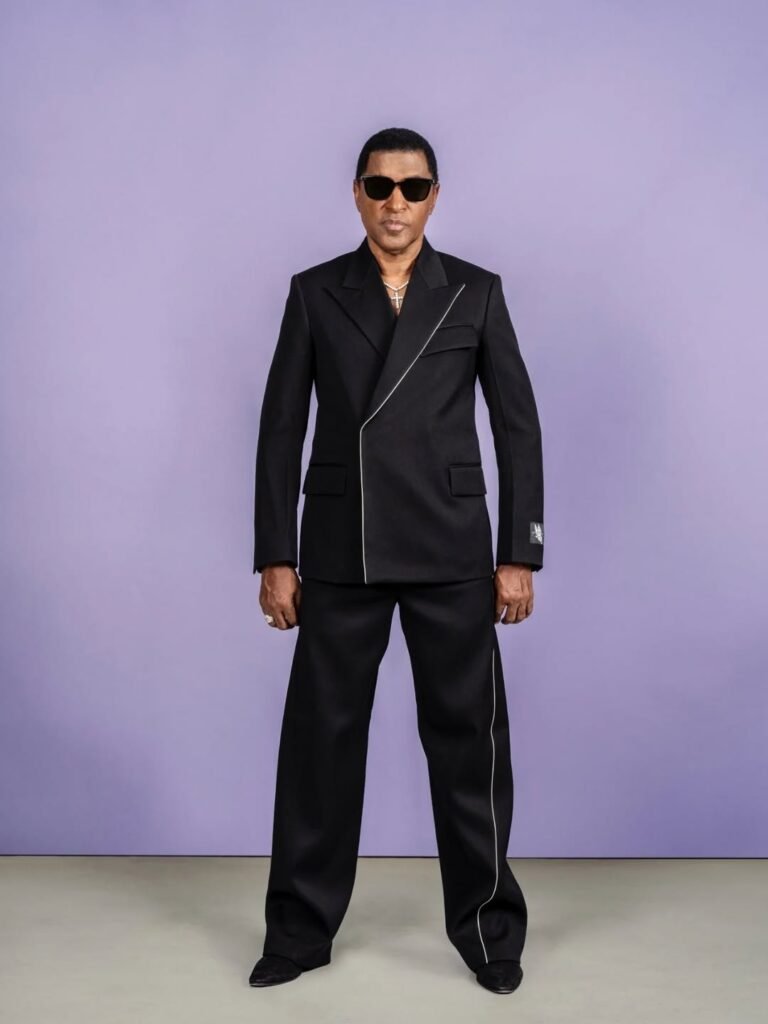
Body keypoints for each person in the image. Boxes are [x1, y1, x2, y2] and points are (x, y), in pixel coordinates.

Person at [248, 127, 544, 995]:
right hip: (343, 547)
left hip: (451, 547)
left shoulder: (476, 292)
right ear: (357, 194)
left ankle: (490, 933)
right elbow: (280, 431)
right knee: (320, 747)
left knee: (469, 747)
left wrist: (518, 553)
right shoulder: (315, 292)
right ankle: (298, 933)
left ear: (434, 197)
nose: (395, 204)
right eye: (379, 186)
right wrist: (276, 555)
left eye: (412, 188)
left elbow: (517, 428)